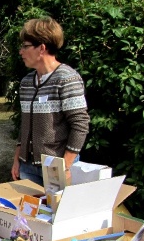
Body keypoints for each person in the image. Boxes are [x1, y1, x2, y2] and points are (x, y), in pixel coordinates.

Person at [11, 17, 90, 186]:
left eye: (25, 46)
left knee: (57, 212)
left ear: (42, 48)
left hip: (57, 167)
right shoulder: (26, 83)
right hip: (27, 168)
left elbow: (80, 125)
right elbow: (25, 126)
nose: (21, 51)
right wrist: (17, 159)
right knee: (28, 212)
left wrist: (66, 166)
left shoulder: (67, 79)